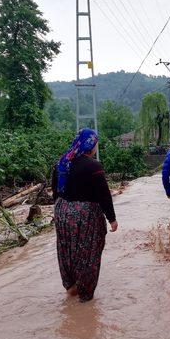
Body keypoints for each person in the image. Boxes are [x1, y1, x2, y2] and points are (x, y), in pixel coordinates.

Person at [52, 128, 118, 302]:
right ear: (91, 145)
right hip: (85, 216)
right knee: (88, 253)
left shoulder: (62, 162)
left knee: (67, 250)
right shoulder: (93, 166)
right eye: (96, 144)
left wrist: (59, 212)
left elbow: (55, 191)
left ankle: (71, 287)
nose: (96, 147)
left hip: (62, 214)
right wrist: (112, 219)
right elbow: (103, 194)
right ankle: (85, 297)